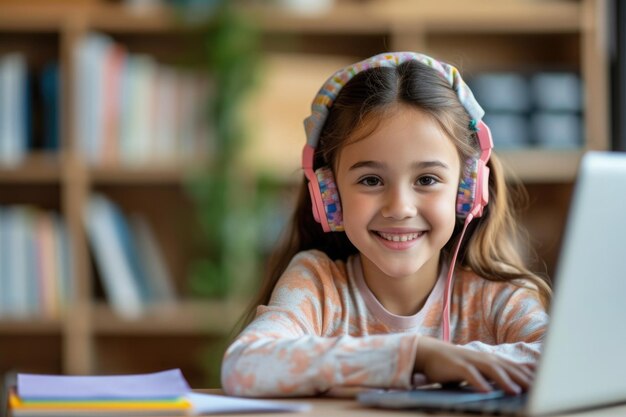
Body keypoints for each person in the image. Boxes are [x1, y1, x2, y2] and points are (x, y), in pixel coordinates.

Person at [221, 52, 551, 398]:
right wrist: (414, 357)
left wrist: (452, 361)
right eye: (370, 180)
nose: (399, 208)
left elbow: (564, 361)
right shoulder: (317, 285)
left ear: (468, 190)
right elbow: (244, 366)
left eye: (426, 179)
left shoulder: (495, 295)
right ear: (328, 194)